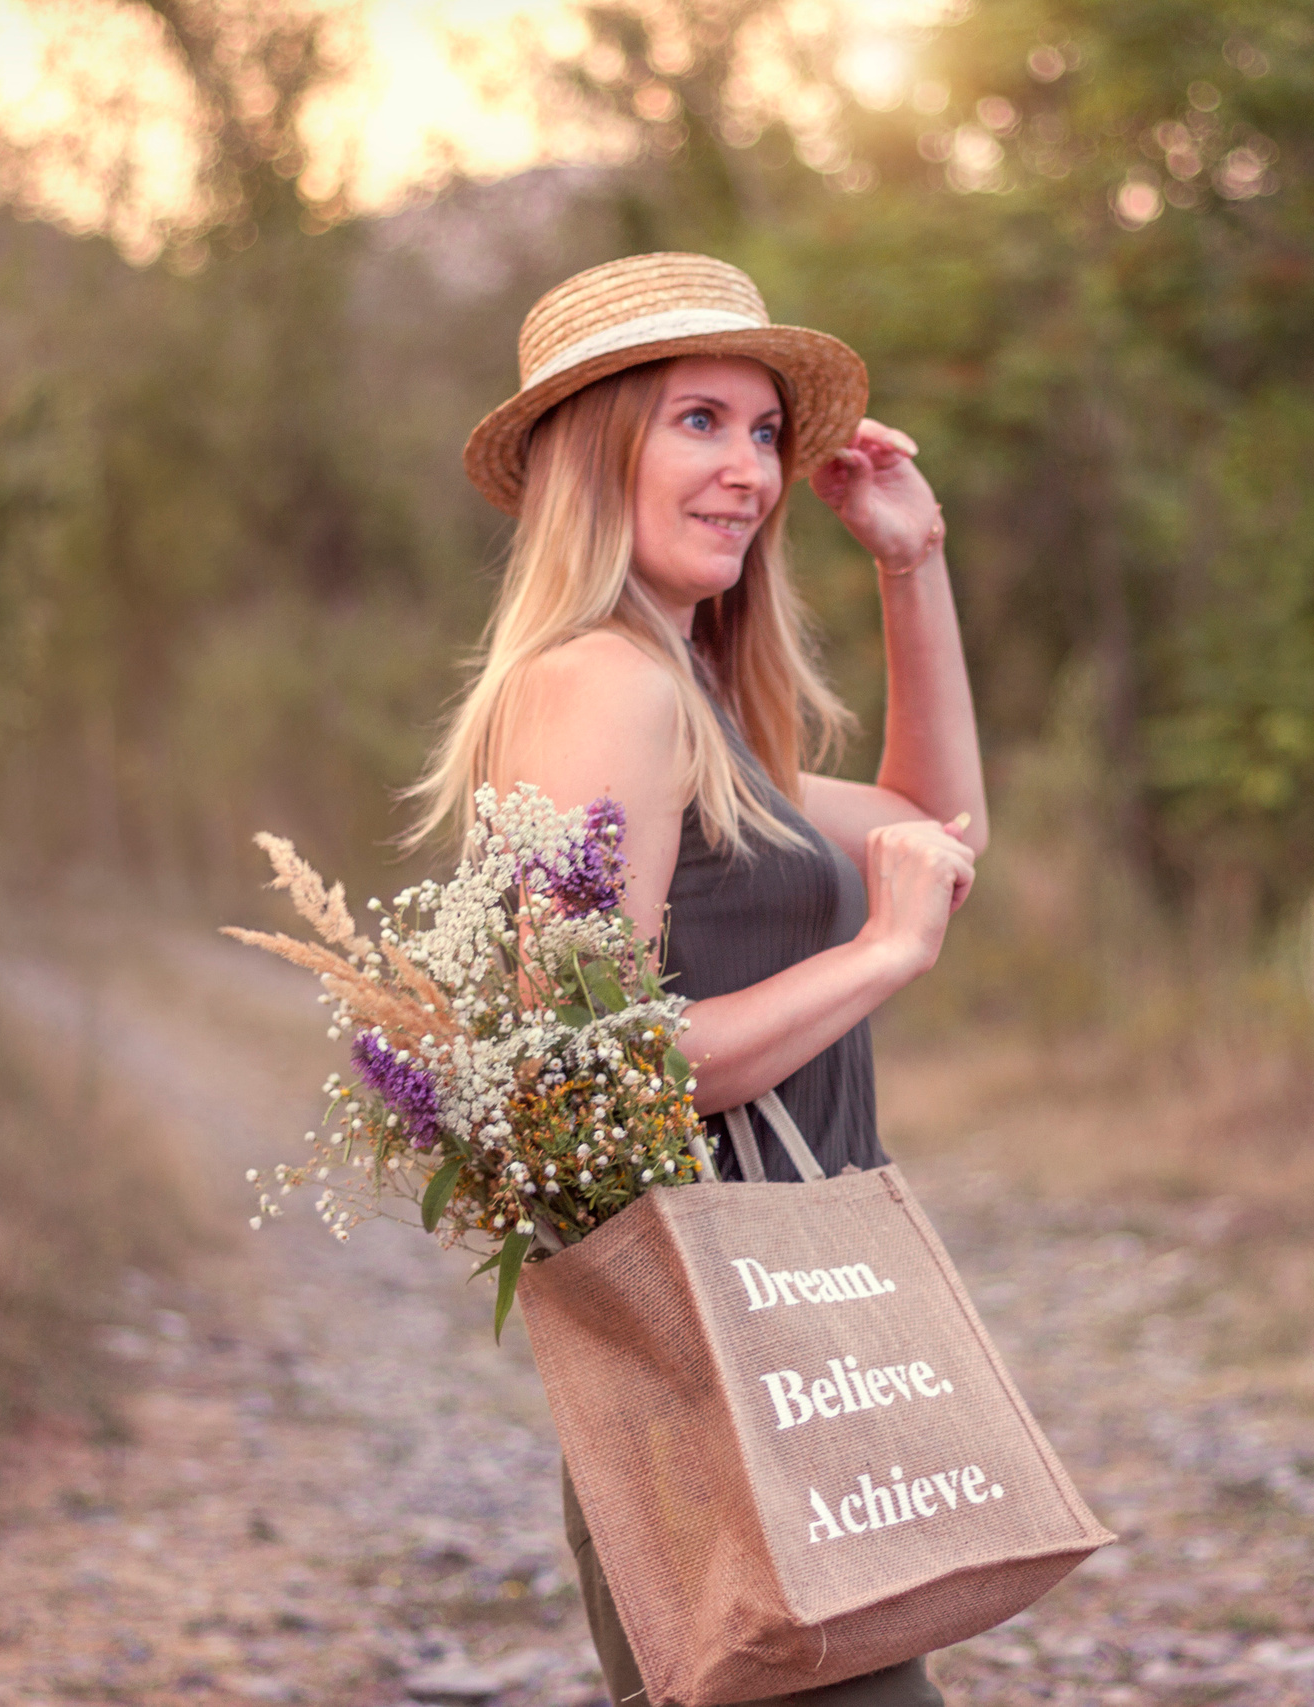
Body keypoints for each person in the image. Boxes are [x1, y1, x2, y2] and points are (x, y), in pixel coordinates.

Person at [413, 252, 985, 1707]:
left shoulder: (690, 697)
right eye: (698, 423)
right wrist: (879, 954)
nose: (750, 470)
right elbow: (591, 1069)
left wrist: (911, 566)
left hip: (781, 1357)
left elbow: (939, 836)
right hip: (712, 1373)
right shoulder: (601, 685)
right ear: (595, 452)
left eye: (763, 431)